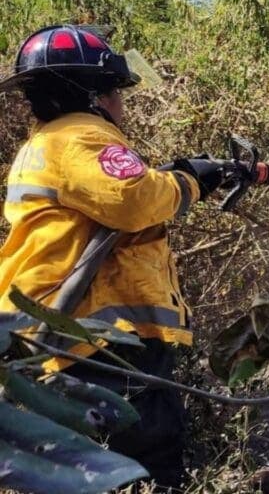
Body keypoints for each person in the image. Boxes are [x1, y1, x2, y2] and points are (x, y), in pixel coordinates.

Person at [0, 25, 231, 489]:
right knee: (149, 456)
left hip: (61, 332)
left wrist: (176, 176)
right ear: (94, 95)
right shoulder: (81, 136)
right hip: (102, 336)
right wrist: (189, 182)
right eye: (116, 93)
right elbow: (132, 199)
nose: (121, 105)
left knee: (94, 467)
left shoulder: (42, 144)